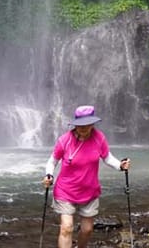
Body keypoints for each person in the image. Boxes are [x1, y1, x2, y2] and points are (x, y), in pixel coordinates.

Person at [42, 105, 131, 248]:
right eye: (79, 125)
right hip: (65, 190)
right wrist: (49, 175)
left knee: (87, 230)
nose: (83, 128)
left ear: (92, 124)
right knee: (66, 227)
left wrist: (120, 166)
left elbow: (107, 158)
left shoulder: (99, 138)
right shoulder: (64, 140)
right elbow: (52, 161)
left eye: (86, 125)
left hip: (89, 191)